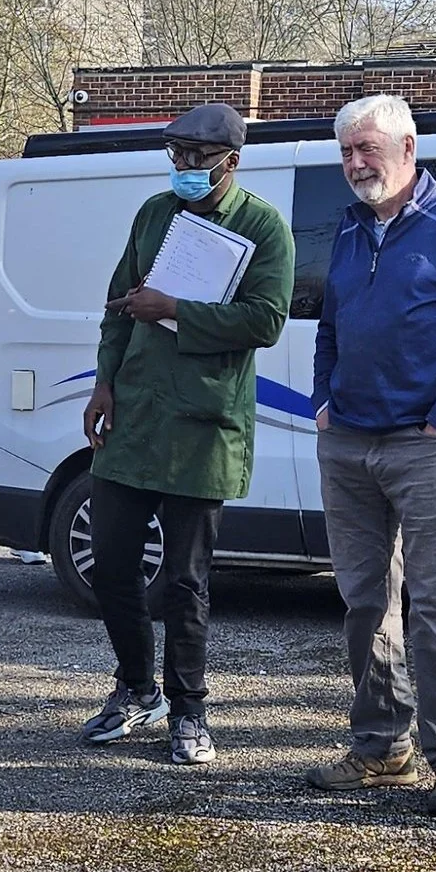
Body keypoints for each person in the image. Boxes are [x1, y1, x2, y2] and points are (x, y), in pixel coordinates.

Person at [303, 93, 436, 818]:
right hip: (350, 442)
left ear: (409, 147)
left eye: (369, 149)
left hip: (425, 447)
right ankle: (379, 749)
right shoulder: (348, 227)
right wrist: (323, 403)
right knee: (365, 602)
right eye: (348, 152)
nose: (357, 163)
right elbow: (329, 325)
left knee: (435, 606)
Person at [80, 102, 296, 765]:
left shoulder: (264, 226)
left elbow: (266, 320)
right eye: (175, 156)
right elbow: (120, 304)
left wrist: (174, 308)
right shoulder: (153, 214)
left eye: (196, 158)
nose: (183, 168)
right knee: (112, 565)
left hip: (204, 427)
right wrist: (103, 381)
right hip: (135, 415)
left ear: (231, 161)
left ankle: (189, 709)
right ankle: (136, 687)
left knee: (185, 581)